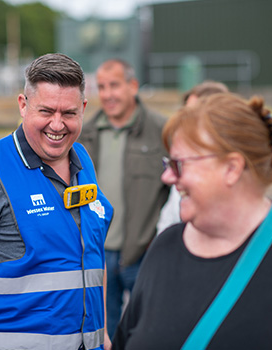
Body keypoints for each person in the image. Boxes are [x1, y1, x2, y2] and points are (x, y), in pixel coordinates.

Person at [113, 93, 272, 349]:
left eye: (179, 164)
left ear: (232, 168)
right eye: (167, 163)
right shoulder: (165, 247)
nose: (167, 177)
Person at [0, 53, 113, 350]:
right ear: (23, 104)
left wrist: (102, 333)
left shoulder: (82, 160)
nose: (57, 125)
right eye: (46, 111)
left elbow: (92, 254)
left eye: (69, 113)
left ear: (83, 108)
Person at [77, 58, 168, 337]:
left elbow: (176, 192)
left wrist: (159, 239)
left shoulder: (162, 131)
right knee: (103, 334)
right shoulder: (84, 133)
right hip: (97, 253)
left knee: (152, 332)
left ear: (133, 86)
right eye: (101, 87)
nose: (106, 95)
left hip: (143, 253)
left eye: (114, 85)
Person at [156, 80, 229, 234]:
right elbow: (166, 223)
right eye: (184, 112)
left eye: (193, 114)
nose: (168, 177)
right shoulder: (181, 179)